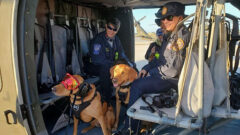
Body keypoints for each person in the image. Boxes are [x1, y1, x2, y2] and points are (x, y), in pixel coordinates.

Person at [114, 2, 190, 135]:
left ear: (180, 17)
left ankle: (131, 129)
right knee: (140, 77)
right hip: (164, 75)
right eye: (163, 18)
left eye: (169, 18)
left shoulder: (180, 36)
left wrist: (152, 73)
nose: (165, 21)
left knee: (137, 85)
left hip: (172, 80)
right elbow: (158, 59)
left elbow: (172, 70)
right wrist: (147, 68)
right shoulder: (170, 36)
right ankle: (136, 123)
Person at [86, 17, 134, 103]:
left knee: (131, 66)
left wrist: (129, 64)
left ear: (117, 30)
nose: (111, 31)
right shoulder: (98, 40)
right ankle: (106, 98)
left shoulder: (116, 39)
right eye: (109, 28)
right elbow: (97, 59)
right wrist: (115, 65)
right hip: (94, 66)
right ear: (106, 26)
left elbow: (121, 53)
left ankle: (128, 93)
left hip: (110, 64)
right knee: (105, 69)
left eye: (114, 29)